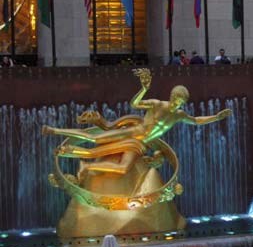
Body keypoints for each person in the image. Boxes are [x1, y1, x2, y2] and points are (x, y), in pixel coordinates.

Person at [42, 68, 232, 178]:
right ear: (171, 97)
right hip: (132, 133)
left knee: (123, 168)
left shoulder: (178, 115)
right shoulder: (157, 104)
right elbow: (134, 104)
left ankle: (86, 166)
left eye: (180, 104)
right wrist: (143, 89)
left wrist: (216, 117)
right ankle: (55, 130)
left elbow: (196, 121)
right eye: (176, 101)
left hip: (140, 144)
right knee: (96, 139)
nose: (176, 105)